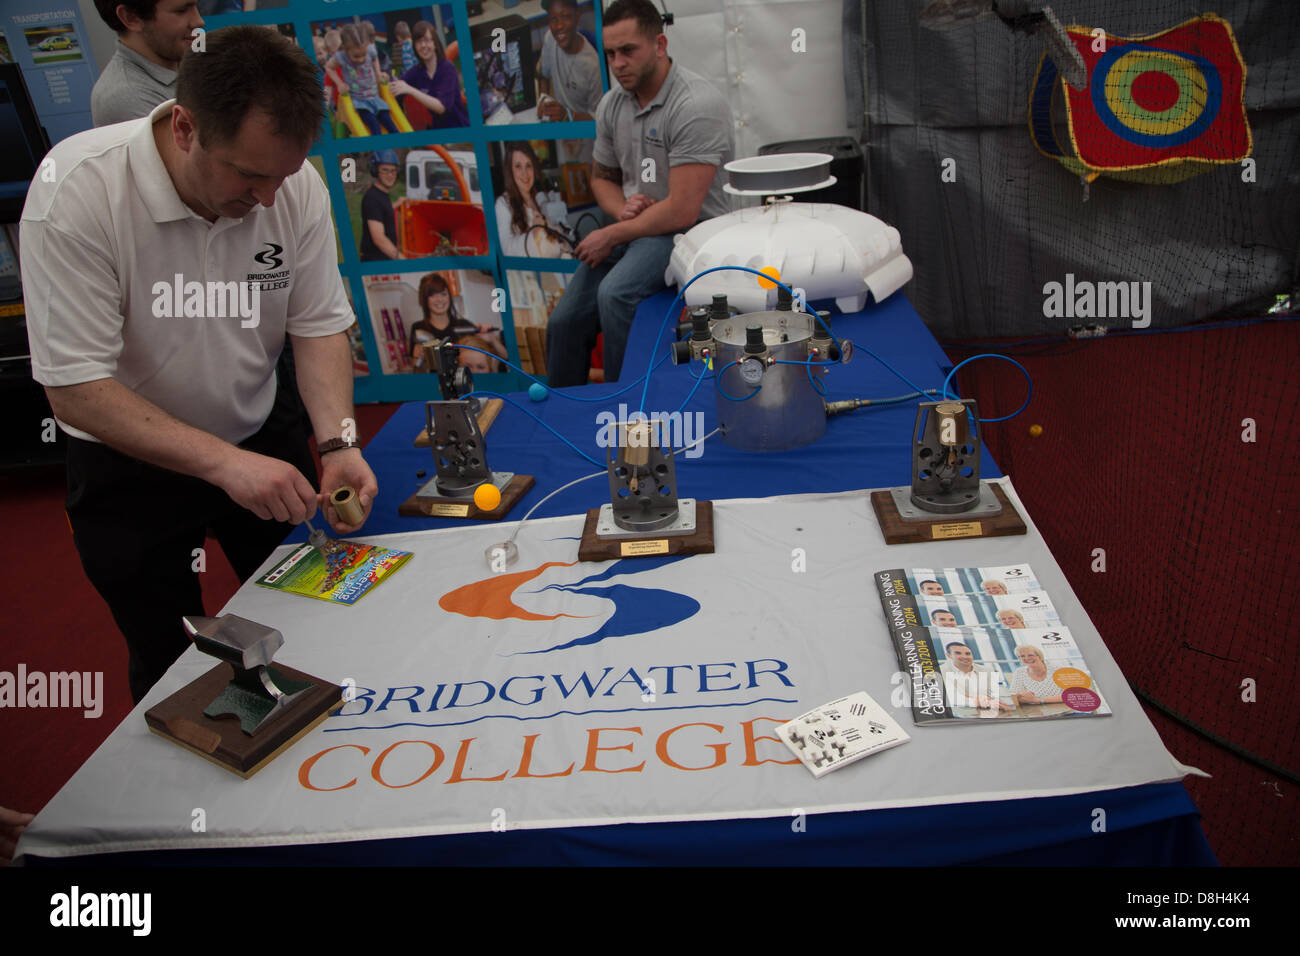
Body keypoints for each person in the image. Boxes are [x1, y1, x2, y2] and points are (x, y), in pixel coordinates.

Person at [21, 25, 378, 704]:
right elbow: (75, 389)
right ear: (183, 128)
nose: (270, 198)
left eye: (283, 174)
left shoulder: (290, 184)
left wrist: (336, 442)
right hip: (128, 466)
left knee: (316, 618)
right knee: (171, 666)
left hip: (258, 430)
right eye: (248, 175)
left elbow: (318, 326)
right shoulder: (77, 193)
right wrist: (222, 463)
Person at [544, 0, 732, 386]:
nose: (617, 63)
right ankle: (565, 416)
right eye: (611, 53)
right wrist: (622, 210)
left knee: (615, 295)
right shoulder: (612, 104)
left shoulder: (695, 103)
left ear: (660, 45)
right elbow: (603, 178)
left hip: (688, 233)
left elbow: (681, 211)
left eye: (628, 51)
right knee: (564, 321)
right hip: (637, 230)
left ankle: (626, 409)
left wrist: (612, 232)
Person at [90, 0, 205, 127]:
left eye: (197, 6)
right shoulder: (128, 97)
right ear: (131, 17)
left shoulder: (188, 64)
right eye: (181, 11)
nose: (199, 21)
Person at [390, 20, 469, 131]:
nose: (423, 45)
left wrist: (410, 90)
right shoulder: (417, 72)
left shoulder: (447, 68)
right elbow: (397, 85)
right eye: (418, 42)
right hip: (438, 132)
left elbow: (441, 107)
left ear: (435, 43)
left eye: (427, 40)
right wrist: (384, 78)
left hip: (460, 131)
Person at [535, 0, 603, 122]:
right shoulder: (550, 39)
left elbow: (599, 120)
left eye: (565, 17)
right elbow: (543, 75)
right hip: (560, 127)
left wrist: (569, 116)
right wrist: (543, 99)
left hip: (585, 134)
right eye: (553, 19)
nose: (559, 26)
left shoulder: (593, 66)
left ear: (577, 17)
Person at [495, 142, 566, 257]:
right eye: (518, 166)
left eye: (528, 165)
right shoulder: (503, 204)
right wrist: (534, 232)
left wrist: (558, 233)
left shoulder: (541, 198)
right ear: (510, 171)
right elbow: (506, 249)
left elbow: (560, 238)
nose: (525, 173)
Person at [325, 24, 397, 135]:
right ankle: (379, 149)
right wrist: (339, 83)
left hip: (375, 97)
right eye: (356, 56)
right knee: (373, 124)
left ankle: (400, 144)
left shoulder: (369, 49)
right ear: (345, 49)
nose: (361, 59)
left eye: (363, 55)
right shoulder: (341, 56)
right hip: (359, 101)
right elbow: (328, 67)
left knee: (388, 120)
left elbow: (374, 58)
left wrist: (378, 73)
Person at [406, 273, 489, 369]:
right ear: (424, 299)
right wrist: (417, 357)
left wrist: (491, 340)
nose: (440, 300)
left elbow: (487, 359)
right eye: (432, 295)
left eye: (443, 294)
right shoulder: (419, 329)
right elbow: (416, 367)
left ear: (449, 296)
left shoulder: (464, 326)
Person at [939, 642, 1014, 712]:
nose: (964, 656)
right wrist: (977, 700)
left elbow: (998, 693)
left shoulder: (987, 670)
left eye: (968, 654)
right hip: (958, 712)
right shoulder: (941, 672)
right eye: (958, 653)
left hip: (990, 711)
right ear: (949, 656)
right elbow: (951, 698)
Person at [360, 150, 401, 261]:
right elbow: (379, 239)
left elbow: (381, 212)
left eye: (393, 171)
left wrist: (397, 203)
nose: (390, 175)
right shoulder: (372, 198)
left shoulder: (381, 194)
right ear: (375, 171)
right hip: (376, 260)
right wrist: (401, 259)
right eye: (385, 170)